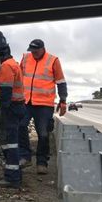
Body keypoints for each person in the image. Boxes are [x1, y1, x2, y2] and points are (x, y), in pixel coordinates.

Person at [19, 39, 67, 174]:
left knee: (43, 134)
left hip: (44, 104)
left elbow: (61, 81)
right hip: (26, 101)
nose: (33, 53)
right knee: (21, 126)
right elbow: (19, 75)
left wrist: (63, 100)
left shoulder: (53, 60)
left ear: (42, 49)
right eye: (31, 51)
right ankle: (25, 156)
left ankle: (42, 162)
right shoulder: (26, 58)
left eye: (36, 51)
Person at [0, 45, 26, 189]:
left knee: (9, 143)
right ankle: (15, 173)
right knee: (10, 143)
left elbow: (5, 93)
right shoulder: (13, 64)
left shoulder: (6, 66)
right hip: (16, 107)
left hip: (10, 109)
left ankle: (13, 178)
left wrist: (0, 111)